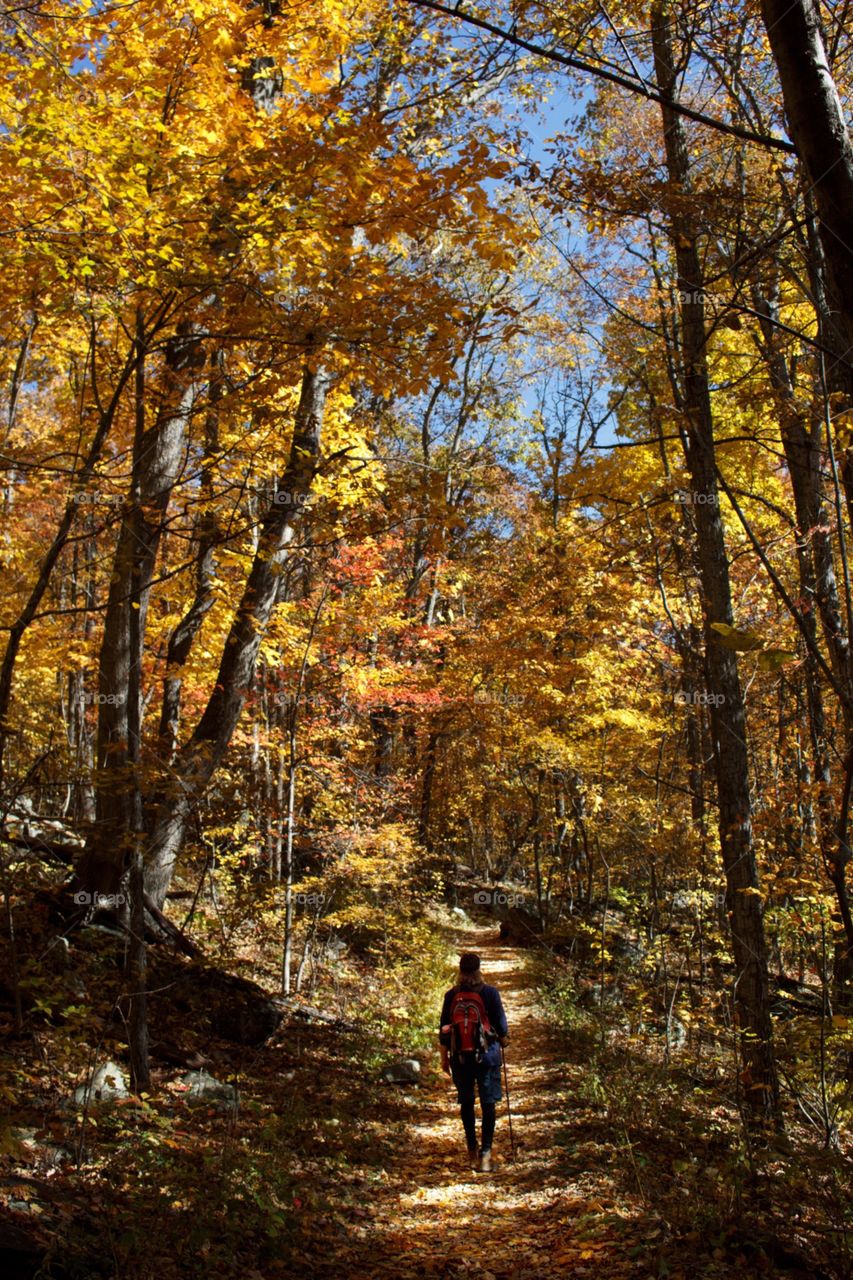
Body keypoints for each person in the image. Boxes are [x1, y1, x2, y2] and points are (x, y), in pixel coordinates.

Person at [439, 951, 509, 1172]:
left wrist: (444, 1059)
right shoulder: (490, 993)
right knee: (488, 1102)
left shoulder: (451, 995)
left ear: (460, 971)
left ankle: (471, 1149)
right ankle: (486, 1155)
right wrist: (504, 1042)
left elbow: (443, 1031)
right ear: (479, 970)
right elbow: (502, 1028)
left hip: (460, 1057)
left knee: (467, 1101)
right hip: (486, 1057)